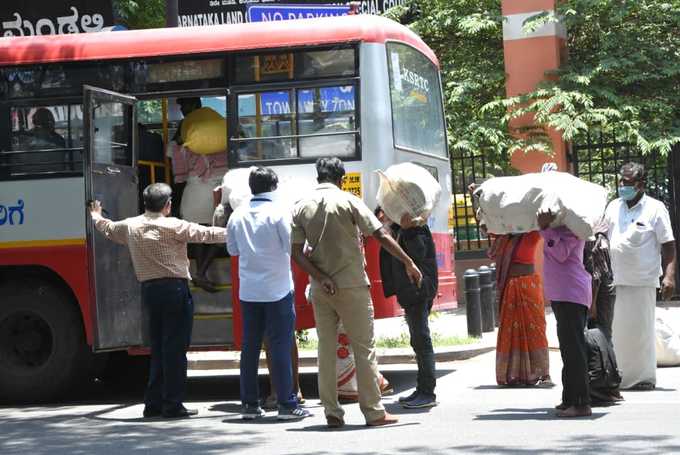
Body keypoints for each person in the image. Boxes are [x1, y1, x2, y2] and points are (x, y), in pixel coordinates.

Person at [290, 157, 422, 428]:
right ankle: (374, 412)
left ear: (318, 178)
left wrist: (321, 277)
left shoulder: (301, 206)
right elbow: (380, 236)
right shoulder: (349, 201)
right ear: (340, 179)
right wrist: (408, 262)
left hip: (320, 288)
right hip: (351, 286)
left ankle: (332, 412)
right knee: (364, 349)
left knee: (325, 349)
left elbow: (296, 254)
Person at [88, 183, 226, 418]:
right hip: (175, 291)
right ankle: (172, 404)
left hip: (150, 292)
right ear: (168, 205)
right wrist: (243, 229)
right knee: (175, 350)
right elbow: (207, 234)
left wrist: (95, 213)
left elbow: (107, 228)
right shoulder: (174, 226)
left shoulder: (131, 225)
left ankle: (153, 404)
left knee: (159, 349)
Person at [227, 167, 311, 421]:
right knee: (280, 346)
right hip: (278, 290)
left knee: (250, 347)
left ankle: (250, 405)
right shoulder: (280, 213)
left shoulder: (237, 215)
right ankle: (286, 403)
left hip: (249, 291)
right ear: (274, 187)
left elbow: (232, 250)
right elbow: (293, 248)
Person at [469, 183, 551, 387]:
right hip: (511, 285)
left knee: (535, 330)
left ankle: (541, 372)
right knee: (510, 331)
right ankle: (514, 373)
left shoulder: (531, 232)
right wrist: (475, 200)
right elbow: (484, 222)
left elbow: (543, 221)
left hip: (528, 285)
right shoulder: (503, 234)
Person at [605, 162, 676, 390]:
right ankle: (619, 377)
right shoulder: (613, 207)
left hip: (642, 280)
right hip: (615, 279)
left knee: (641, 332)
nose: (622, 186)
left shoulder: (655, 208)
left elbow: (669, 245)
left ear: (641, 185)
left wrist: (670, 276)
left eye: (627, 183)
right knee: (618, 332)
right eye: (621, 181)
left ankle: (644, 378)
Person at [378, 207, 439, 408]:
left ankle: (427, 392)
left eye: (384, 212)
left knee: (422, 340)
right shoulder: (401, 228)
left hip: (418, 290)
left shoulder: (416, 228)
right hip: (412, 291)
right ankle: (422, 389)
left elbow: (418, 254)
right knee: (418, 341)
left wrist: (408, 230)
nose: (381, 216)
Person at [537, 210, 593, 417]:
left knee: (574, 350)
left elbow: (560, 254)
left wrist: (545, 229)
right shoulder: (558, 228)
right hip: (562, 294)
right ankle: (569, 398)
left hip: (572, 293)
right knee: (568, 350)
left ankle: (581, 402)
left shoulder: (573, 227)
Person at [171, 97, 228, 292]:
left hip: (194, 190)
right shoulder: (218, 124)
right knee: (220, 233)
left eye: (184, 105)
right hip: (219, 188)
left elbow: (178, 164)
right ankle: (201, 273)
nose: (182, 109)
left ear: (195, 105)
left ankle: (200, 272)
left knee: (198, 234)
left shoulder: (185, 129)